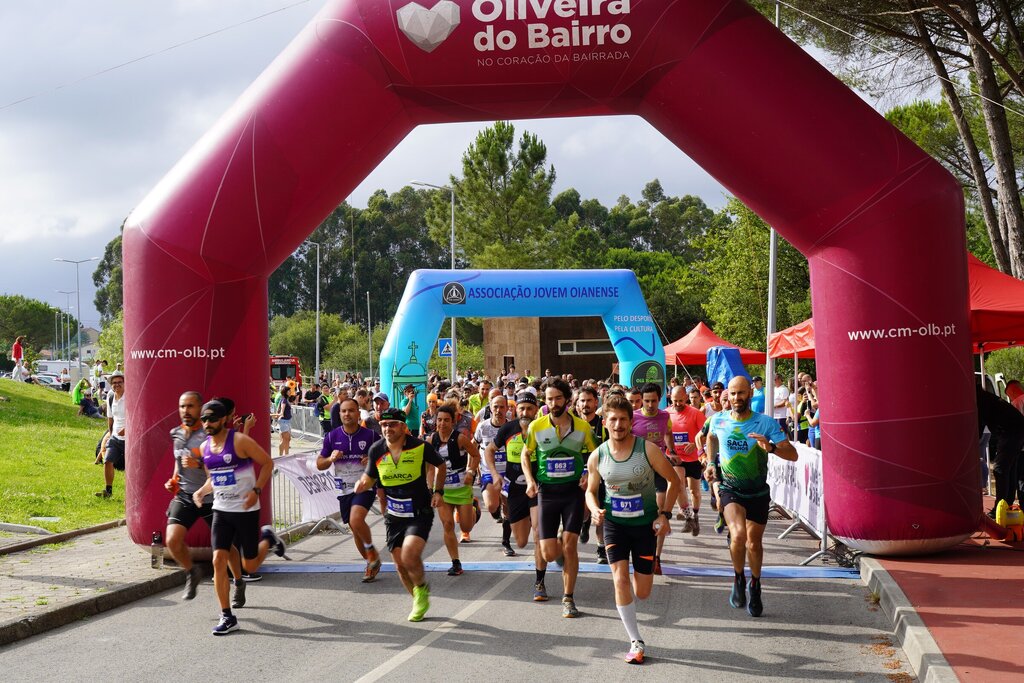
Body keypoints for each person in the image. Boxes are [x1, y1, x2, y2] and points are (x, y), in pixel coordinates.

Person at [586, 394, 680, 664]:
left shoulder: (647, 450)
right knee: (619, 579)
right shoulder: (597, 456)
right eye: (613, 419)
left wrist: (664, 515)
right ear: (605, 422)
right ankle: (635, 640)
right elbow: (590, 491)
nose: (618, 425)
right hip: (614, 525)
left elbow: (674, 481)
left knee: (643, 591)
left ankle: (637, 609)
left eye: (623, 419)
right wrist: (594, 509)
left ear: (631, 422)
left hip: (643, 527)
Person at [192, 400, 286, 635]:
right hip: (221, 510)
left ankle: (269, 539)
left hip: (245, 510)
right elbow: (214, 478)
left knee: (250, 565)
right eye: (204, 419)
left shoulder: (239, 441)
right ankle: (227, 616)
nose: (207, 423)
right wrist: (201, 491)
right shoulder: (204, 448)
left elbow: (267, 463)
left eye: (212, 419)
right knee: (218, 560)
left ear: (224, 419)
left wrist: (256, 491)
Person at [705, 376, 796, 617]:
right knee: (738, 535)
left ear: (750, 394)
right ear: (728, 395)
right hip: (730, 489)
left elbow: (793, 454)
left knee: (753, 544)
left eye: (741, 393)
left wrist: (772, 448)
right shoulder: (718, 419)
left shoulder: (765, 423)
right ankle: (738, 578)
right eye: (733, 394)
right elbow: (711, 438)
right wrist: (711, 463)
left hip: (757, 491)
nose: (737, 398)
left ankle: (755, 585)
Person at [354, 407, 445, 622]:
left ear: (403, 427)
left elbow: (441, 466)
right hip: (394, 515)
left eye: (392, 424)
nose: (387, 429)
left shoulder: (420, 447)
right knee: (400, 566)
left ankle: (421, 587)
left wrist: (438, 491)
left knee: (409, 555)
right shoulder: (376, 450)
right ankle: (418, 598)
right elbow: (369, 477)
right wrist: (362, 483)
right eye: (384, 425)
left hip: (419, 511)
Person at [522, 378, 597, 618]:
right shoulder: (537, 426)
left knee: (570, 545)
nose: (553, 403)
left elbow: (595, 454)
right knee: (548, 553)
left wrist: (588, 474)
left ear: (567, 400)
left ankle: (568, 598)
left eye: (557, 398)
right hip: (547, 493)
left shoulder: (583, 427)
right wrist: (530, 480)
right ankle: (558, 549)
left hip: (573, 493)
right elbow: (526, 454)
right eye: (549, 399)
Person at [164, 391, 243, 600]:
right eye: (182, 406)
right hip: (185, 495)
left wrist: (198, 464)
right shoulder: (176, 433)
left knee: (226, 547)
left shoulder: (210, 434)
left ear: (200, 409)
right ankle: (192, 572)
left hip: (212, 497)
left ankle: (238, 580)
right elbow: (179, 462)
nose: (185, 411)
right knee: (172, 540)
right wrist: (174, 479)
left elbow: (219, 468)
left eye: (190, 406)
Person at [316, 397, 382, 582]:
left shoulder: (371, 436)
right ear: (339, 414)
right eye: (344, 411)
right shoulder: (332, 437)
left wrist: (372, 461)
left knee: (356, 519)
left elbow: (385, 458)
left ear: (358, 413)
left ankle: (371, 553)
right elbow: (319, 464)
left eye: (351, 410)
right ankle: (371, 562)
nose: (347, 414)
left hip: (365, 485)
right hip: (343, 489)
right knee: (355, 528)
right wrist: (330, 459)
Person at [490, 391, 550, 593]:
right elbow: (489, 450)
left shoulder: (544, 429)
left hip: (538, 487)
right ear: (516, 410)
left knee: (538, 533)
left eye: (529, 409)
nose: (525, 412)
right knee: (522, 542)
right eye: (522, 408)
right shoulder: (508, 429)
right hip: (515, 490)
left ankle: (539, 582)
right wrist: (495, 474)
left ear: (536, 410)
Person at [633, 382, 691, 575]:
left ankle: (656, 557)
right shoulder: (633, 417)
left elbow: (668, 433)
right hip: (637, 470)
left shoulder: (665, 416)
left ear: (660, 400)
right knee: (638, 514)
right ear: (642, 400)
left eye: (654, 401)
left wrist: (671, 451)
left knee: (659, 511)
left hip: (658, 467)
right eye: (646, 401)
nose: (650, 405)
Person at [431, 404, 481, 574]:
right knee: (448, 525)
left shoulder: (460, 439)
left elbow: (476, 455)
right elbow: (428, 466)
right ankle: (455, 562)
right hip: (443, 490)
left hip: (461, 487)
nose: (442, 423)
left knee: (466, 527)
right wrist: (430, 488)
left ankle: (474, 508)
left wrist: (471, 472)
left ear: (453, 422)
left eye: (446, 420)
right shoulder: (432, 440)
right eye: (439, 420)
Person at [977, 382, 1024, 512]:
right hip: (1016, 430)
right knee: (1010, 468)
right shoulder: (987, 397)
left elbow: (979, 425)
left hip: (1010, 432)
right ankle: (1006, 505)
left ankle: (1000, 507)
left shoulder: (979, 400)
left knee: (1000, 469)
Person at [668, 385, 707, 533]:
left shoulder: (695, 413)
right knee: (678, 485)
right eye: (674, 400)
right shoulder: (667, 413)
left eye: (680, 400)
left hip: (693, 458)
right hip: (675, 457)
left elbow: (707, 435)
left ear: (686, 398)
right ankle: (688, 517)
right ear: (670, 398)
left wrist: (695, 444)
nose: (678, 404)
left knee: (694, 491)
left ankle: (695, 516)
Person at [475, 393, 511, 549]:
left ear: (507, 409)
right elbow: (474, 445)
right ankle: (494, 511)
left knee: (508, 508)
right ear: (490, 408)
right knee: (491, 506)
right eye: (495, 407)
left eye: (502, 407)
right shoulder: (483, 426)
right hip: (489, 471)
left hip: (508, 473)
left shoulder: (512, 427)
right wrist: (471, 469)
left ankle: (506, 542)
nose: (498, 410)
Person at [96, 371, 127, 498]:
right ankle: (108, 491)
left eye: (119, 382)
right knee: (107, 461)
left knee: (132, 467)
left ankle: (133, 494)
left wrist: (128, 429)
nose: (117, 385)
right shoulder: (110, 398)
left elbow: (138, 417)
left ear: (125, 383)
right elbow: (110, 418)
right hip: (115, 438)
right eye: (114, 383)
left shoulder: (130, 397)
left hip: (130, 438)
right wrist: (110, 434)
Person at [271, 385, 292, 455]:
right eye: (289, 391)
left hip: (287, 421)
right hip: (284, 421)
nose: (290, 392)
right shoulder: (284, 400)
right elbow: (282, 409)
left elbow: (279, 409)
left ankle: (286, 454)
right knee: (284, 439)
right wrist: (281, 413)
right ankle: (281, 455)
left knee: (287, 439)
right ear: (285, 392)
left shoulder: (285, 399)